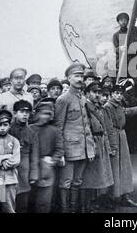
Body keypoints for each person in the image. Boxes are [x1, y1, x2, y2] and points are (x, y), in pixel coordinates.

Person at [54, 63, 95, 213]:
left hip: (83, 148)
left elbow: (86, 126)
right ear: (68, 78)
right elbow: (58, 127)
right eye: (76, 76)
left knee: (77, 182)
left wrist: (89, 149)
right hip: (69, 149)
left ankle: (73, 209)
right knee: (66, 182)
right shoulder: (63, 99)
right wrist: (61, 152)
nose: (79, 79)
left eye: (81, 76)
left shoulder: (82, 98)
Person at [104, 84, 137, 207]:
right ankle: (113, 197)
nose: (118, 95)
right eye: (116, 93)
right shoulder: (108, 107)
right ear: (112, 94)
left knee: (124, 167)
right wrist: (112, 146)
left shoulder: (118, 106)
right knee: (115, 168)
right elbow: (108, 127)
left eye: (120, 93)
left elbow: (126, 111)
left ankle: (124, 196)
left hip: (121, 136)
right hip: (114, 137)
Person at [81, 82, 114, 212]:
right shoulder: (86, 107)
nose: (97, 95)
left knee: (99, 174)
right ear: (87, 93)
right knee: (89, 176)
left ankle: (94, 203)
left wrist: (108, 146)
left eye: (99, 93)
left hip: (100, 141)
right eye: (94, 92)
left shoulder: (98, 107)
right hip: (92, 142)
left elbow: (105, 128)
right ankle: (86, 205)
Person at [30, 101, 64, 213]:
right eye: (43, 113)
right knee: (29, 201)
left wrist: (52, 161)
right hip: (29, 168)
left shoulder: (54, 131)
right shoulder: (30, 129)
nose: (46, 117)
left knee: (44, 202)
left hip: (46, 169)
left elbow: (60, 149)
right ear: (37, 114)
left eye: (49, 114)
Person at [9, 100, 39, 213]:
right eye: (22, 111)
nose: (25, 114)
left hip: (24, 173)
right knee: (4, 202)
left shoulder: (32, 133)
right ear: (14, 113)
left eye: (27, 112)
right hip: (7, 171)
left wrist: (33, 174)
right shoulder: (7, 129)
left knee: (22, 205)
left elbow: (34, 156)